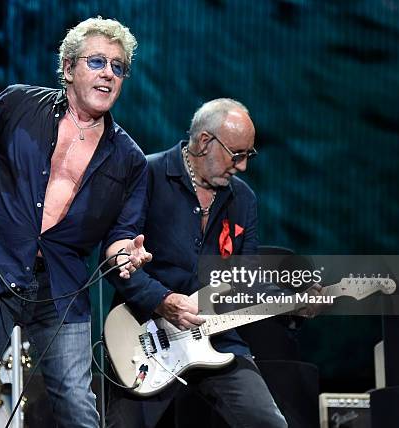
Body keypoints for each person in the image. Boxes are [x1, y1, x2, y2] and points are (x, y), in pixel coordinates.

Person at [0, 17, 152, 428]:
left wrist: (124, 255)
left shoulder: (131, 160)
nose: (109, 74)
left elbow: (121, 236)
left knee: (80, 412)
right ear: (68, 68)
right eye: (98, 62)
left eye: (118, 67)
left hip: (62, 289)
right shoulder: (16, 103)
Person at [105, 99, 290, 428]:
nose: (243, 166)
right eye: (237, 155)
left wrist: (294, 305)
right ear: (205, 141)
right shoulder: (147, 174)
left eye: (249, 155)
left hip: (219, 339)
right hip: (144, 338)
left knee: (269, 423)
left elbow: (245, 279)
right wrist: (162, 301)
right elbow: (116, 259)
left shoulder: (243, 199)